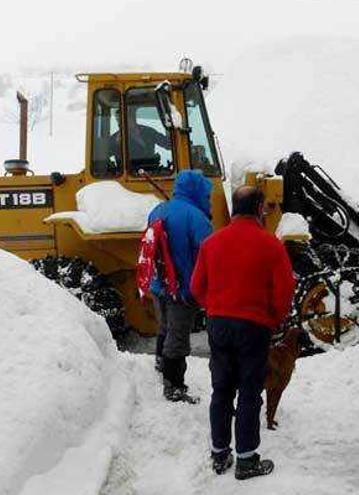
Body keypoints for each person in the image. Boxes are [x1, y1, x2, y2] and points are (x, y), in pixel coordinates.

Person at [190, 186, 295, 479]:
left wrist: (214, 308)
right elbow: (285, 290)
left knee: (221, 389)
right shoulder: (271, 244)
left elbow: (196, 287)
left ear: (234, 207)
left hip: (219, 324)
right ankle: (247, 460)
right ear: (260, 207)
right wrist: (272, 318)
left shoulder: (211, 243)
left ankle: (220, 454)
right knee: (250, 391)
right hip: (254, 326)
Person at [147, 170, 213, 404]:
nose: (208, 199)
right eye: (207, 195)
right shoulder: (196, 218)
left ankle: (161, 363)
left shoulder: (157, 210)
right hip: (182, 290)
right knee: (178, 337)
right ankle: (174, 386)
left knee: (164, 327)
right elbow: (209, 255)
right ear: (197, 192)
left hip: (159, 285)